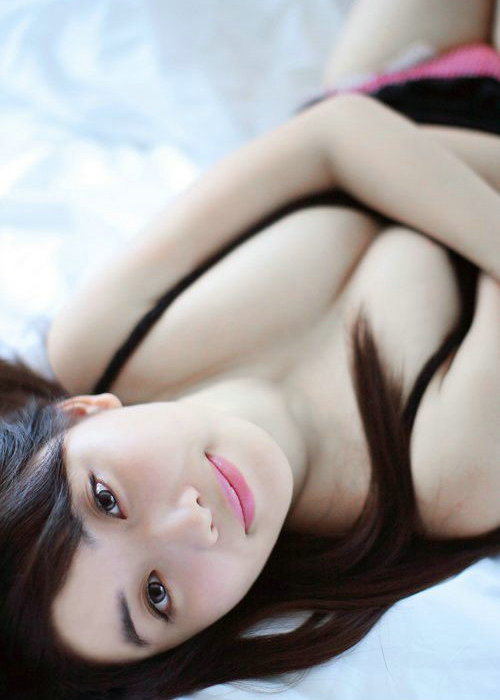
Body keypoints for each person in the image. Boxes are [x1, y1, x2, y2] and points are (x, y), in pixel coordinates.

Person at [1, 0, 499, 698]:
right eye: (156, 595)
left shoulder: (106, 336)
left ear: (80, 413)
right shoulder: (444, 480)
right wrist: (378, 158)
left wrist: (362, 143)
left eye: (106, 499)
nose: (191, 522)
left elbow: (333, 128)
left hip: (395, 79)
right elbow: (338, 145)